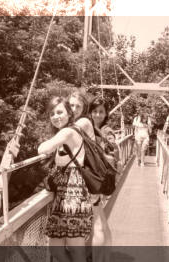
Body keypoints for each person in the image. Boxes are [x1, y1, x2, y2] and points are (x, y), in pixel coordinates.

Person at [38, 96, 93, 262]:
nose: (56, 116)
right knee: (55, 247)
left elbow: (43, 148)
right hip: (63, 196)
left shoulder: (68, 131)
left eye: (60, 112)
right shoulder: (65, 133)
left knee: (76, 249)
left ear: (69, 114)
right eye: (52, 113)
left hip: (74, 195)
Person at [88, 96, 113, 262]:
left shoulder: (105, 131)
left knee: (97, 224)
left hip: (95, 181)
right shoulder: (90, 129)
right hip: (95, 181)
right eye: (95, 111)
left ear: (105, 114)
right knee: (101, 222)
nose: (97, 115)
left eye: (101, 112)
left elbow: (112, 155)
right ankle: (105, 257)